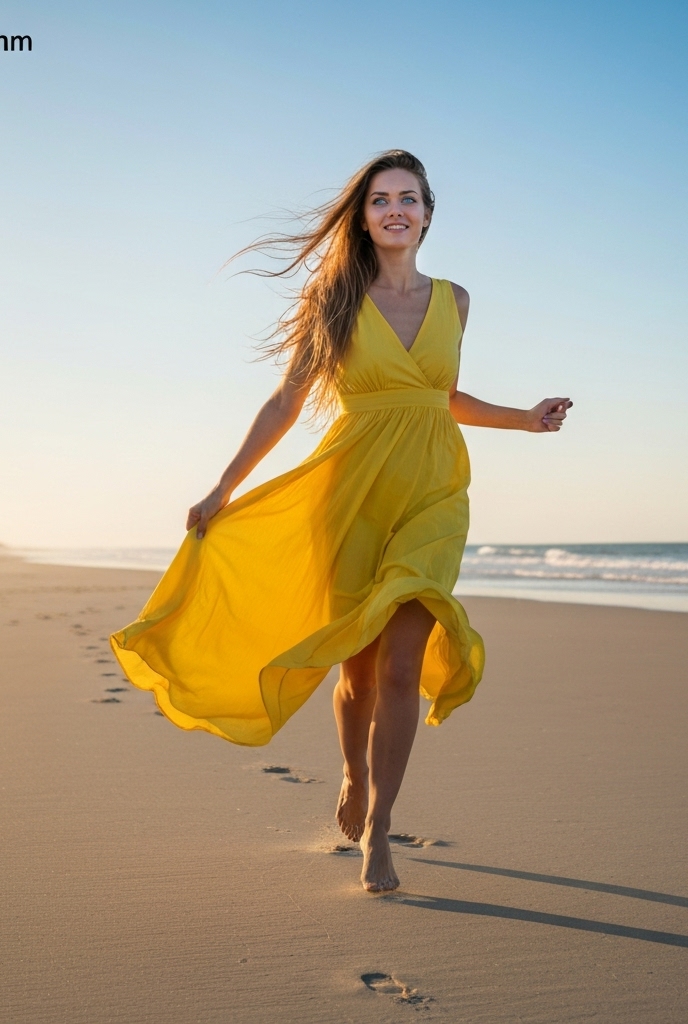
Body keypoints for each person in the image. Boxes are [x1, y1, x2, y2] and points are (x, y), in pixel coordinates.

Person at [110, 150, 572, 892]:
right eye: (381, 199)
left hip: (434, 493)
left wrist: (526, 419)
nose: (396, 209)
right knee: (356, 673)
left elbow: (442, 396)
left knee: (399, 665)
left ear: (427, 213)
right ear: (362, 216)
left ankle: (381, 827)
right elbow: (288, 400)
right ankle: (353, 774)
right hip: (350, 493)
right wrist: (227, 485)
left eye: (409, 198)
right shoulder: (333, 297)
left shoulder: (454, 300)